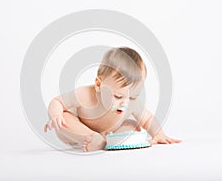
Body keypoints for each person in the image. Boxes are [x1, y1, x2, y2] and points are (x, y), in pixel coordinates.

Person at [44, 47, 181, 152]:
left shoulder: (129, 102)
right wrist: (56, 115)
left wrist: (159, 134)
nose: (125, 102)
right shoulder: (84, 95)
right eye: (118, 96)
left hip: (108, 132)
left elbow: (147, 118)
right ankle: (90, 137)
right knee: (65, 118)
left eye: (132, 96)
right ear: (99, 85)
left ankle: (105, 141)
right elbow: (57, 102)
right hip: (77, 132)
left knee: (132, 126)